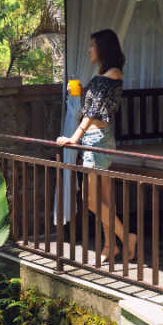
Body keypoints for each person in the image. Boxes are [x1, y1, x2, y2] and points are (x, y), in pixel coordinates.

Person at [57, 29, 137, 261]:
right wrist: (83, 92)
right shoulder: (104, 74)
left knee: (90, 200)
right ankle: (111, 245)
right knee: (102, 199)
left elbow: (94, 112)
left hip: (97, 139)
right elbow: (94, 106)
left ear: (103, 48)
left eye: (92, 45)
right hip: (95, 138)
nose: (89, 50)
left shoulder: (112, 74)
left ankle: (127, 238)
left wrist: (73, 137)